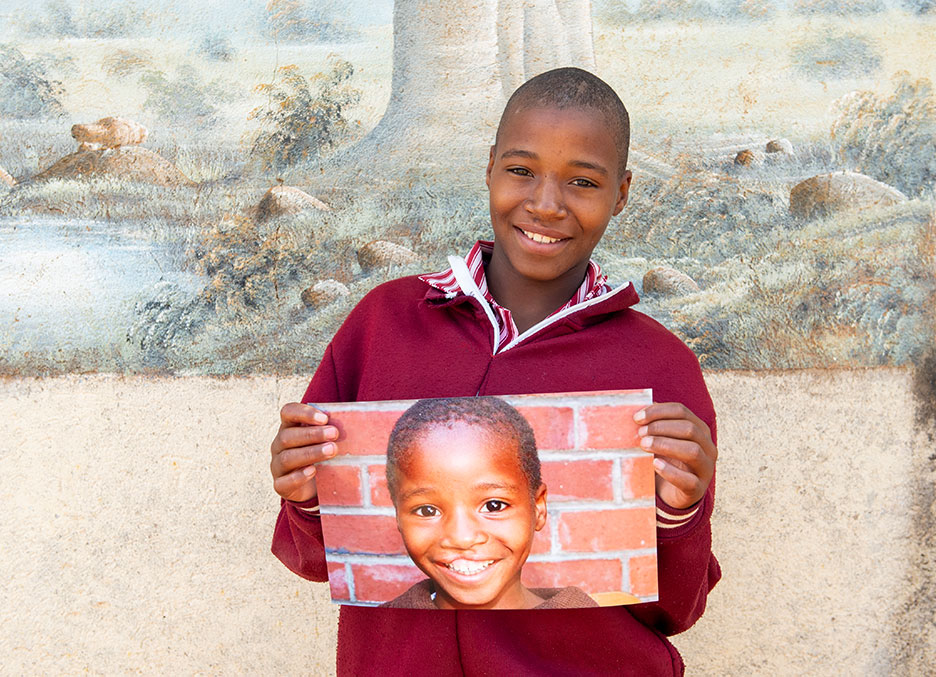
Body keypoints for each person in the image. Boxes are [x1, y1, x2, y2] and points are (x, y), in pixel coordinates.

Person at [271, 67, 719, 675]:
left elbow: (677, 610)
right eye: (520, 170)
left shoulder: (658, 365)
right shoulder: (384, 324)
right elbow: (319, 559)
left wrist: (679, 514)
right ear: (489, 168)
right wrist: (306, 496)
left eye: (582, 181)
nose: (545, 203)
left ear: (621, 193)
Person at [380, 396, 598, 611]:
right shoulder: (372, 632)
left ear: (538, 508)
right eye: (427, 510)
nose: (462, 538)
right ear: (398, 516)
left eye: (494, 506)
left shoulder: (595, 628)